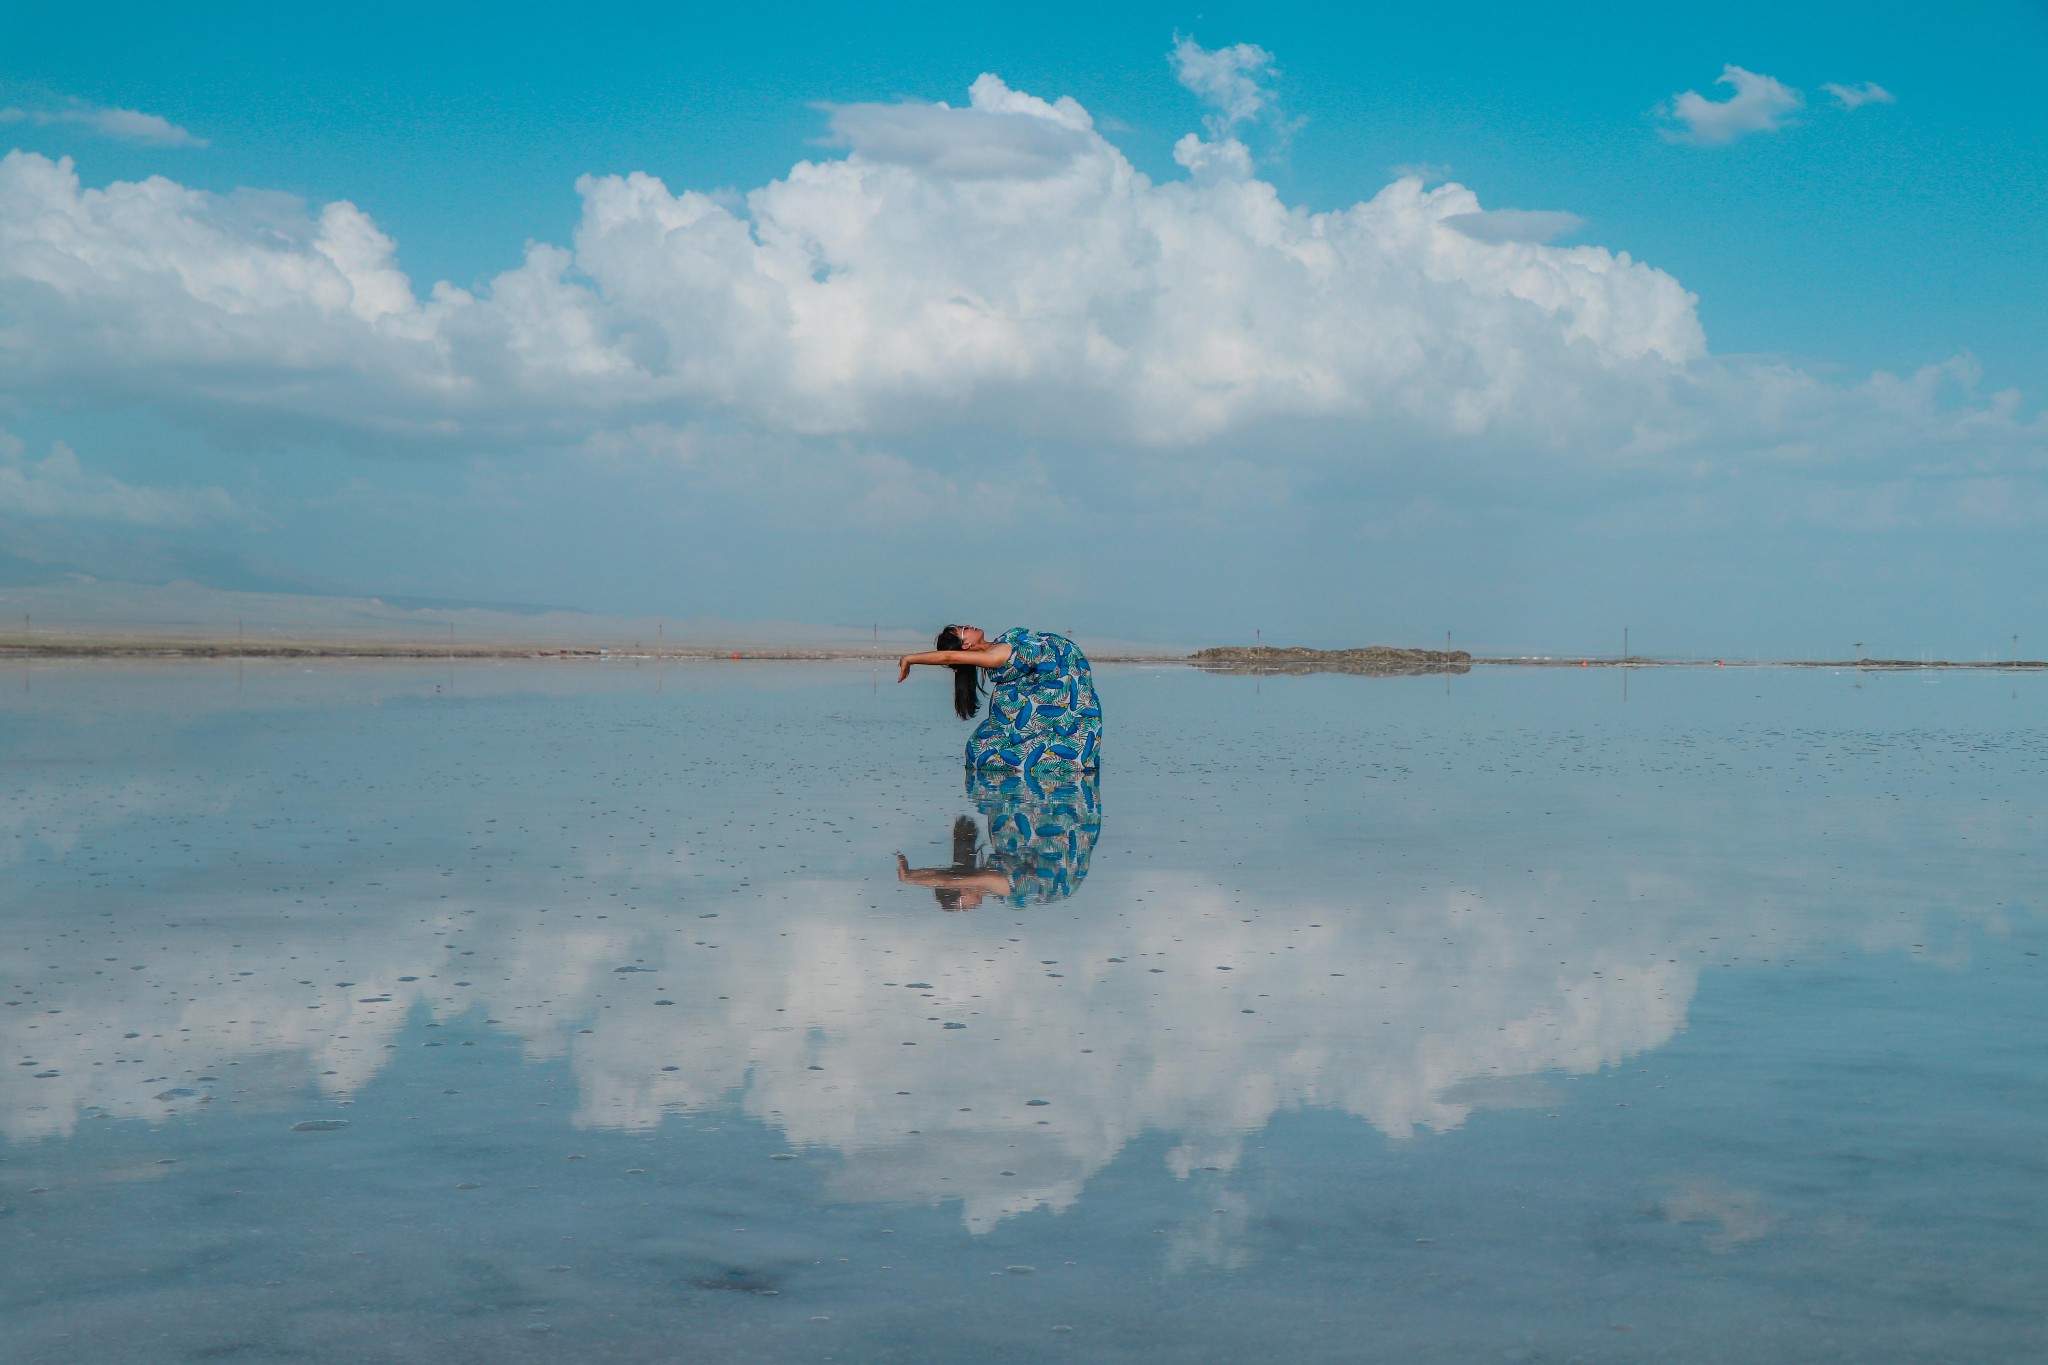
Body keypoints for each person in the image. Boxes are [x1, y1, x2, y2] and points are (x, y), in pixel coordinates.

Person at [896, 624, 1102, 773]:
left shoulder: (996, 646)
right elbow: (949, 657)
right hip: (1065, 680)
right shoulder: (993, 655)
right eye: (962, 629)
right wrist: (909, 659)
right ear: (965, 645)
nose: (968, 625)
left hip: (1065, 679)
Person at [895, 767, 1101, 910]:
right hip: (1062, 845)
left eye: (960, 906)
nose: (968, 909)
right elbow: (950, 879)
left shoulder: (991, 883)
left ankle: (1020, 787)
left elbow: (950, 877)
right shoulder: (1002, 889)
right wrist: (910, 878)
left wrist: (911, 876)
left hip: (1048, 841)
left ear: (961, 890)